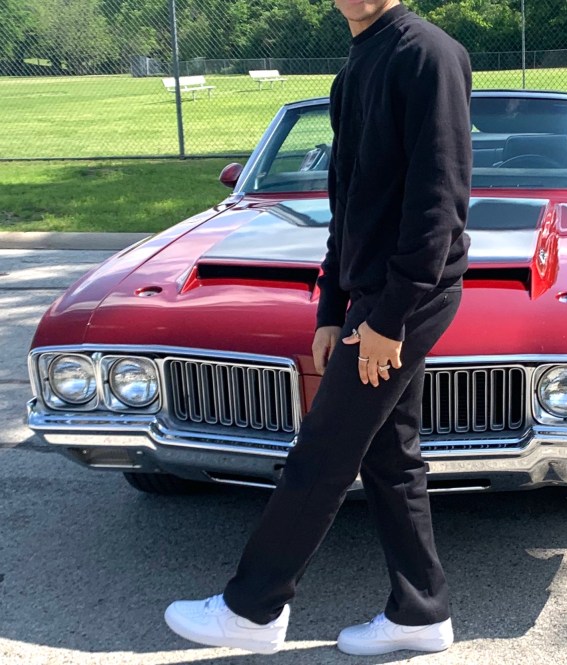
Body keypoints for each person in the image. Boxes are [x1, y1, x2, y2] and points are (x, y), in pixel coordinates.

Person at [164, 0, 472, 656]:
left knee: (323, 452)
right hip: (371, 298)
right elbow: (347, 201)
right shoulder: (355, 68)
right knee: (391, 456)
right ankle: (421, 612)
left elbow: (438, 203)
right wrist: (331, 307)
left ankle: (253, 607)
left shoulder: (429, 56)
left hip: (405, 297)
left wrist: (388, 318)